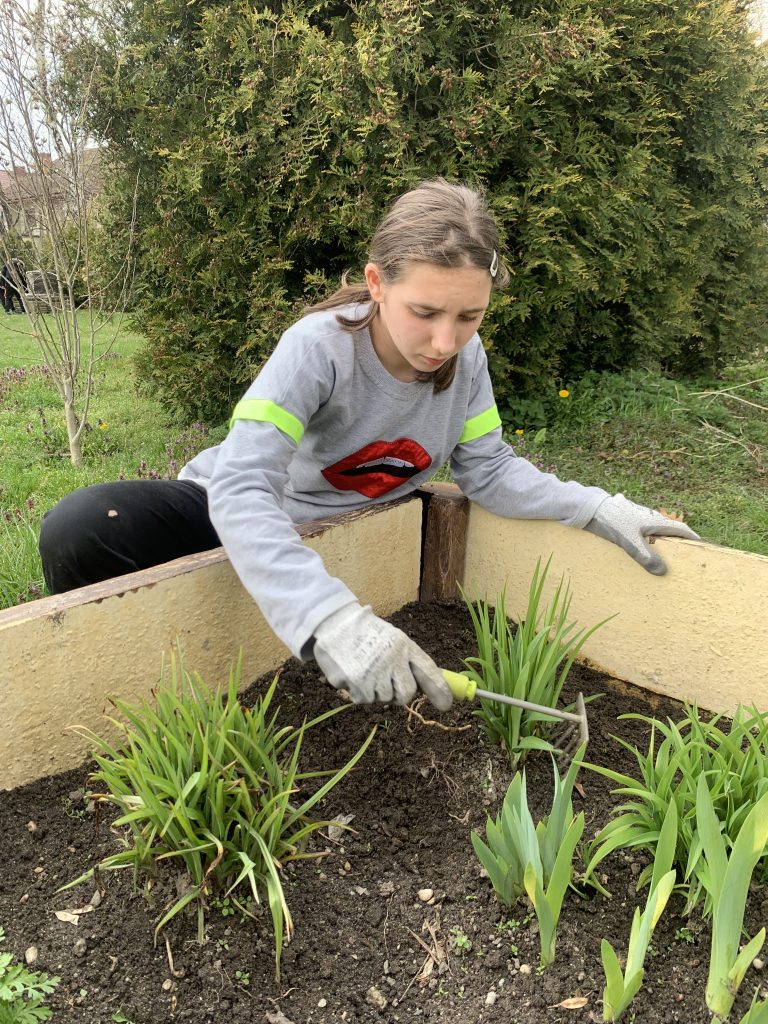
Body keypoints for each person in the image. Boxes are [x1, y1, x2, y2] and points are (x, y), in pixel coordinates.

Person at [39, 179, 699, 711]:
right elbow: (242, 488)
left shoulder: (466, 365)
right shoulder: (319, 349)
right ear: (378, 283)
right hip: (239, 517)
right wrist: (331, 619)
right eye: (425, 313)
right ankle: (105, 706)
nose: (445, 341)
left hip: (339, 535)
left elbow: (490, 471)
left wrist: (595, 507)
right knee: (82, 527)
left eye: (469, 316)